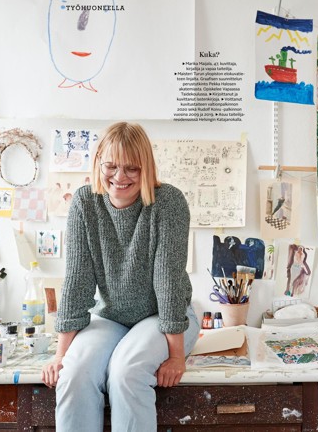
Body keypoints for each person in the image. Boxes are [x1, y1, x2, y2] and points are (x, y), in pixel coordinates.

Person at [41, 122, 199, 431]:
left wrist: (176, 356)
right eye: (111, 166)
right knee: (73, 373)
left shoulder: (168, 203)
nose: (120, 176)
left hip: (165, 316)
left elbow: (168, 282)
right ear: (98, 161)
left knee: (127, 372)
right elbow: (77, 281)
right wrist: (60, 355)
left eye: (131, 168)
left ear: (146, 167)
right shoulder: (85, 202)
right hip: (110, 316)